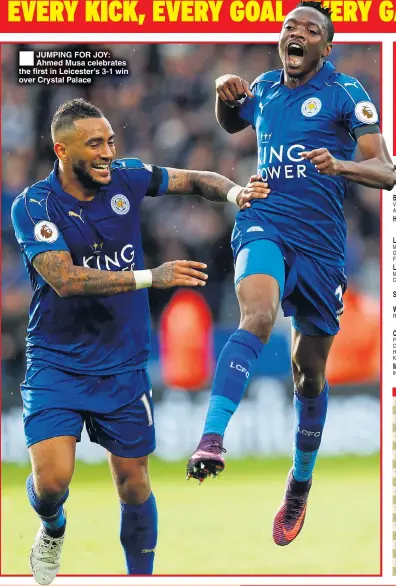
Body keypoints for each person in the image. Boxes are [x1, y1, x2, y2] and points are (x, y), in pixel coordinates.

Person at [10, 97, 269, 585]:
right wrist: (153, 276)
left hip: (124, 362)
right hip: (57, 362)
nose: (109, 151)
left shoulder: (128, 177)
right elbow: (64, 279)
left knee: (133, 483)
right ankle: (52, 526)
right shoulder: (34, 206)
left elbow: (192, 179)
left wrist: (235, 193)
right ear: (61, 151)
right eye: (95, 144)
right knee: (51, 484)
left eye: (111, 140)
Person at [187, 0, 394, 547]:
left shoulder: (347, 94)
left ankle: (299, 484)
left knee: (309, 373)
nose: (295, 33)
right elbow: (234, 121)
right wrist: (222, 96)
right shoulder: (267, 88)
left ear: (326, 46)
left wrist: (341, 163)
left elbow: (387, 169)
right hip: (265, 220)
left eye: (309, 30)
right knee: (256, 314)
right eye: (289, 27)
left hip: (323, 248)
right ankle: (211, 437)